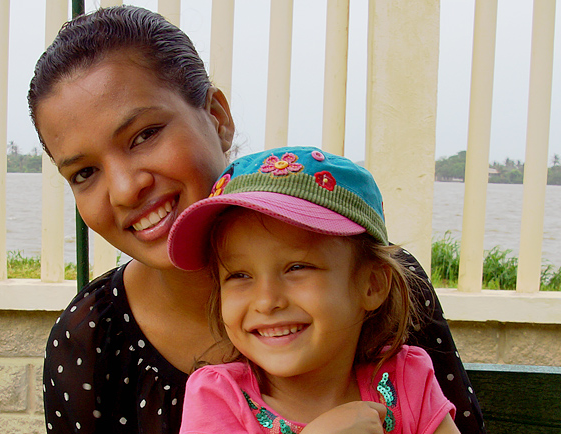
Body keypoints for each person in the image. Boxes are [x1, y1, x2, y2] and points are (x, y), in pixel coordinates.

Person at [27, 5, 484, 434]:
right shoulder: (92, 339)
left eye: (144, 134)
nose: (125, 188)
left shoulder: (379, 286)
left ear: (218, 117)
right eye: (84, 172)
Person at [168, 147, 460, 433]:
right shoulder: (217, 398)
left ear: (372, 285)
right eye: (239, 275)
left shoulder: (407, 380)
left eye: (297, 268)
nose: (267, 301)